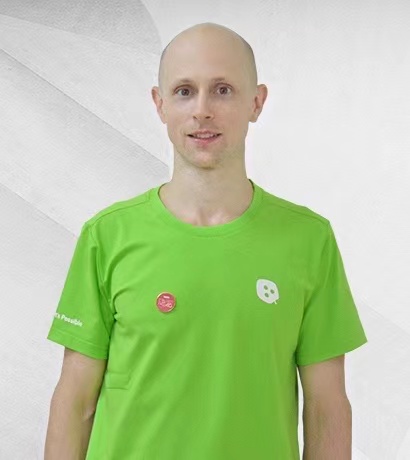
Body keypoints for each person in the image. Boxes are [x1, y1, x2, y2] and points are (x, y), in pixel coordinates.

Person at [44, 22, 368, 459]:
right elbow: (74, 403)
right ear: (159, 104)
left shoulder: (309, 240)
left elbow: (327, 408)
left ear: (256, 102)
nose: (202, 110)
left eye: (222, 90)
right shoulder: (107, 235)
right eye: (184, 91)